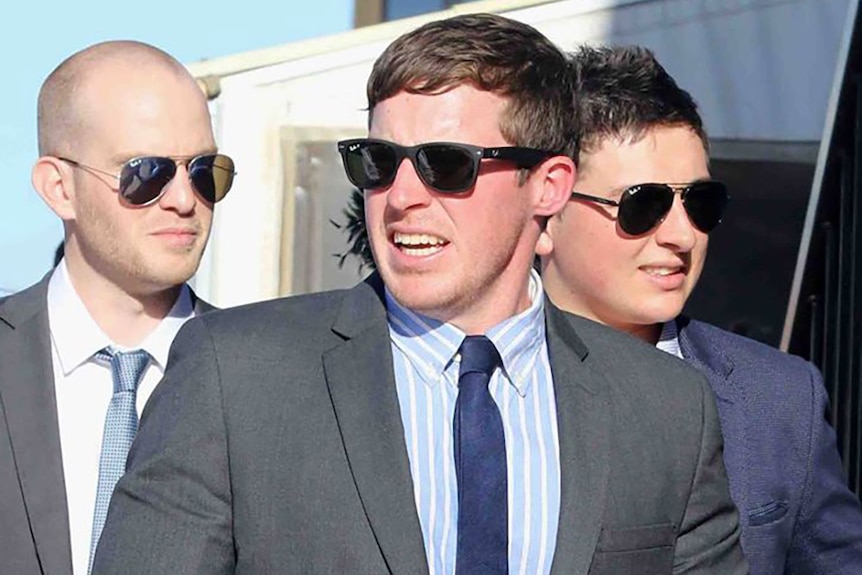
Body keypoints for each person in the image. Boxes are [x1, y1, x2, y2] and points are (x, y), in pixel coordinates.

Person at [93, 14, 746, 575]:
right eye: (377, 162)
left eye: (447, 163)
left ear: (548, 185)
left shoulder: (666, 410)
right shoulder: (234, 374)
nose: (401, 196)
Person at [539, 44, 862, 574]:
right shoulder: (467, 383)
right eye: (643, 204)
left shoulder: (778, 400)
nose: (682, 235)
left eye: (700, 202)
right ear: (548, 215)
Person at [0, 41, 235, 575]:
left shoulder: (272, 381)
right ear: (59, 188)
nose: (183, 198)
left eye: (205, 171)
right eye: (145, 173)